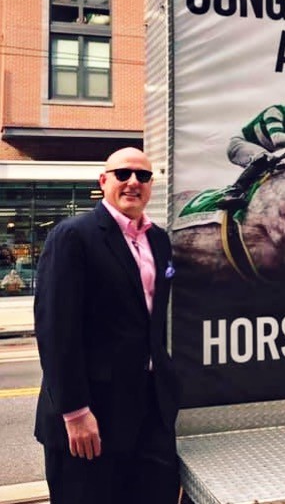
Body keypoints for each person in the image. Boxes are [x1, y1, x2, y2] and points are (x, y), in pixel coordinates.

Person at [34, 147, 180, 504]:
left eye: (143, 176)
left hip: (148, 412)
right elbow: (55, 330)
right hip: (91, 416)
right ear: (103, 181)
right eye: (123, 174)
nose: (133, 182)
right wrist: (76, 412)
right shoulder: (73, 236)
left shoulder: (158, 240)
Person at [218, 88, 285, 211]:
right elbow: (277, 138)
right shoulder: (276, 111)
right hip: (238, 145)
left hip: (258, 153)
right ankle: (232, 193)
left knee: (278, 167)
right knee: (265, 158)